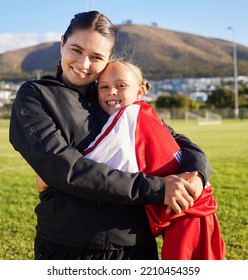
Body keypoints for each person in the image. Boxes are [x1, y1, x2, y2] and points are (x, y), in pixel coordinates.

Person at [10, 10, 212, 260]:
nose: (83, 64)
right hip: (68, 245)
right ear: (62, 43)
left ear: (109, 59)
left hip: (135, 244)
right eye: (76, 50)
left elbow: (177, 141)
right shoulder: (36, 95)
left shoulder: (114, 96)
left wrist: (198, 174)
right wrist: (157, 188)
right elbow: (63, 167)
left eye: (96, 57)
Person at [37, 59, 225, 259]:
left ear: (140, 90)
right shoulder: (146, 113)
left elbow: (97, 159)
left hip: (189, 212)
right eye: (104, 87)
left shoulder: (129, 118)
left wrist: (48, 177)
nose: (112, 91)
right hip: (196, 208)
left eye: (121, 86)